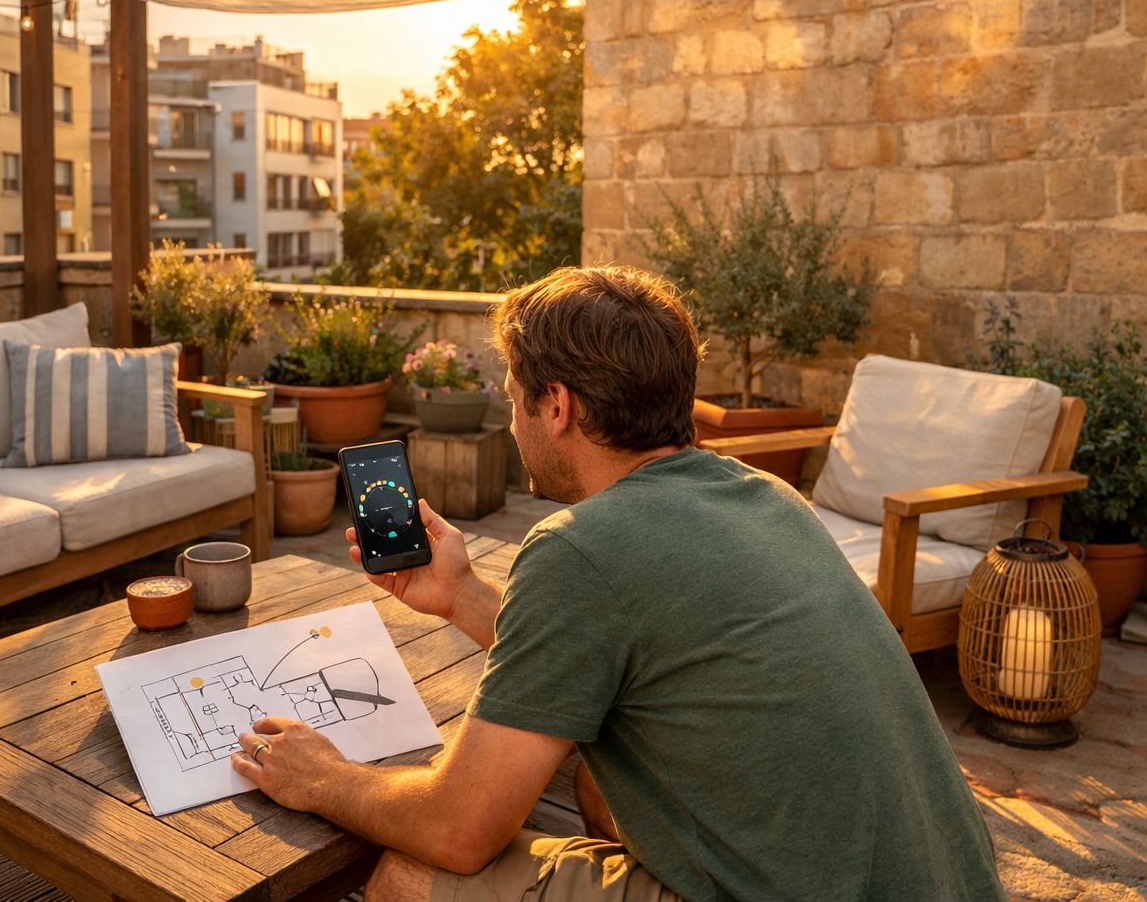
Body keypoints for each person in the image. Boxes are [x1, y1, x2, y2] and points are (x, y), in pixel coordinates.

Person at [229, 266, 1005, 902]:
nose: (511, 417)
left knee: (409, 875)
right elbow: (629, 645)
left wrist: (327, 779)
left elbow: (458, 828)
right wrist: (463, 595)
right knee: (600, 781)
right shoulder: (762, 494)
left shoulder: (579, 549)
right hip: (946, 880)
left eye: (513, 395)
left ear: (557, 406)